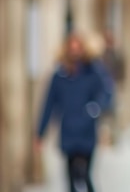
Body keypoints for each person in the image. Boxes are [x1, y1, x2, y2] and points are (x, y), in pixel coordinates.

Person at [35, 33, 110, 192]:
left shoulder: (93, 71)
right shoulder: (60, 75)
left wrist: (95, 108)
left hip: (87, 131)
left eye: (78, 48)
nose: (75, 52)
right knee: (70, 179)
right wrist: (40, 133)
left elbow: (107, 93)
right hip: (69, 132)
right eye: (72, 48)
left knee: (86, 175)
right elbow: (49, 104)